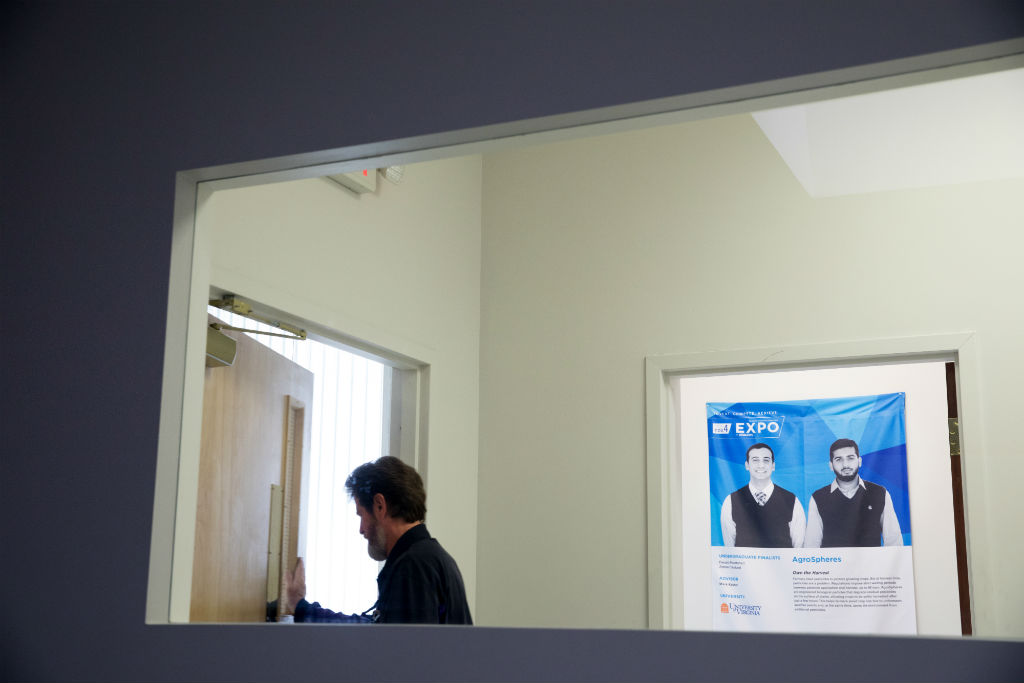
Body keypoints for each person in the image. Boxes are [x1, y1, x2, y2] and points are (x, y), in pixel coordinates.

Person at [282, 455, 472, 624]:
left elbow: (406, 656)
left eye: (361, 515)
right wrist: (302, 608)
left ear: (380, 506)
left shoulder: (413, 566)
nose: (361, 529)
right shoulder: (429, 558)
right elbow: (374, 630)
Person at [804, 438, 903, 548]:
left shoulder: (880, 494)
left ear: (859, 461)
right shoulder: (818, 498)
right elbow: (811, 546)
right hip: (833, 565)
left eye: (850, 458)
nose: (845, 464)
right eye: (838, 459)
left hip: (872, 565)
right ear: (831, 465)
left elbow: (894, 542)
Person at [720, 442, 806, 548]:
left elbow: (798, 547)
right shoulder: (731, 501)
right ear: (747, 465)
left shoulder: (792, 501)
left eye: (766, 460)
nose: (761, 465)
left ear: (773, 466)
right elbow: (730, 548)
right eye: (755, 460)